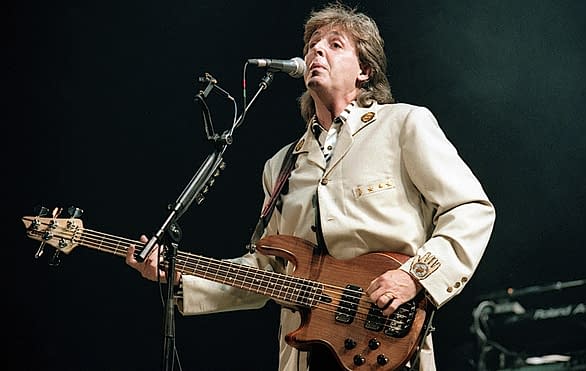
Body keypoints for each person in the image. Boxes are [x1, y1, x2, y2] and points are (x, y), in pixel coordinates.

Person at [126, 2, 495, 370]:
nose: (316, 50)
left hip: (387, 344)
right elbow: (266, 270)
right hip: (305, 356)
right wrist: (177, 275)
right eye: (312, 44)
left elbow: (470, 209)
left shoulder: (403, 125)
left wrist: (415, 277)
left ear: (364, 70)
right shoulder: (281, 165)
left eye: (335, 44)